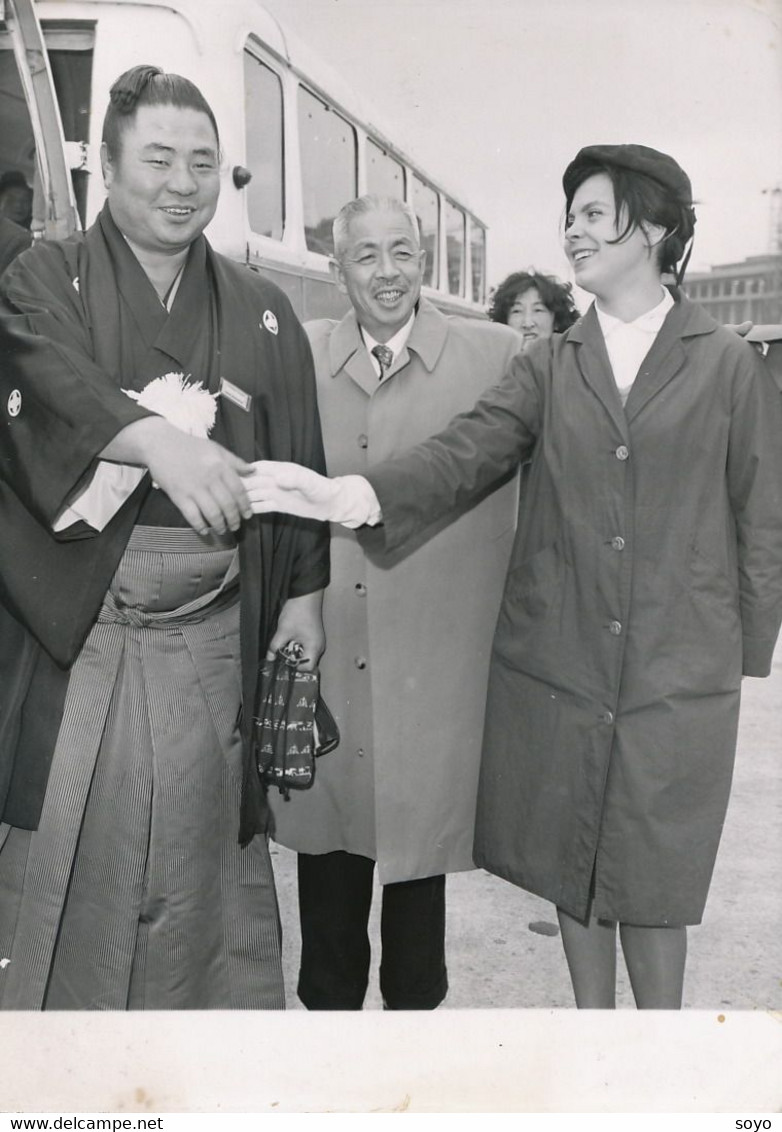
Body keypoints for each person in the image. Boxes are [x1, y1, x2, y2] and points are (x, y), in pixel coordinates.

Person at [247, 144, 782, 1010]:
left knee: (655, 877)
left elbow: (764, 518)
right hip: (566, 662)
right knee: (573, 866)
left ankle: (662, 1069)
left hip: (680, 670)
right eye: (569, 215)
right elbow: (467, 451)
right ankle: (592, 1055)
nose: (573, 231)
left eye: (594, 215)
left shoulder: (725, 362)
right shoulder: (551, 363)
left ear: (652, 229)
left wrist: (737, 654)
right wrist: (357, 491)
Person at [0, 65, 328, 1010]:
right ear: (107, 167)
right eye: (157, 159)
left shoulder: (261, 307)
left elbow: (296, 454)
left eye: (202, 162)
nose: (183, 183)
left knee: (198, 852)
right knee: (72, 850)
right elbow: (39, 383)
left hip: (215, 633)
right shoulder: (43, 276)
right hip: (84, 628)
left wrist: (304, 599)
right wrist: (153, 441)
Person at [267, 194, 522, 1010]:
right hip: (331, 647)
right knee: (329, 870)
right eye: (367, 255)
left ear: (424, 261)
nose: (388, 272)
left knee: (419, 877)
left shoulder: (498, 355)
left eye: (403, 252)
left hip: (433, 662)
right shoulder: (296, 356)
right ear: (337, 268)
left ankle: (415, 1061)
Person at [488, 269, 579, 350]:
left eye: (538, 310)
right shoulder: (494, 365)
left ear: (556, 321)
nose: (528, 324)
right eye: (517, 311)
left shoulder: (572, 365)